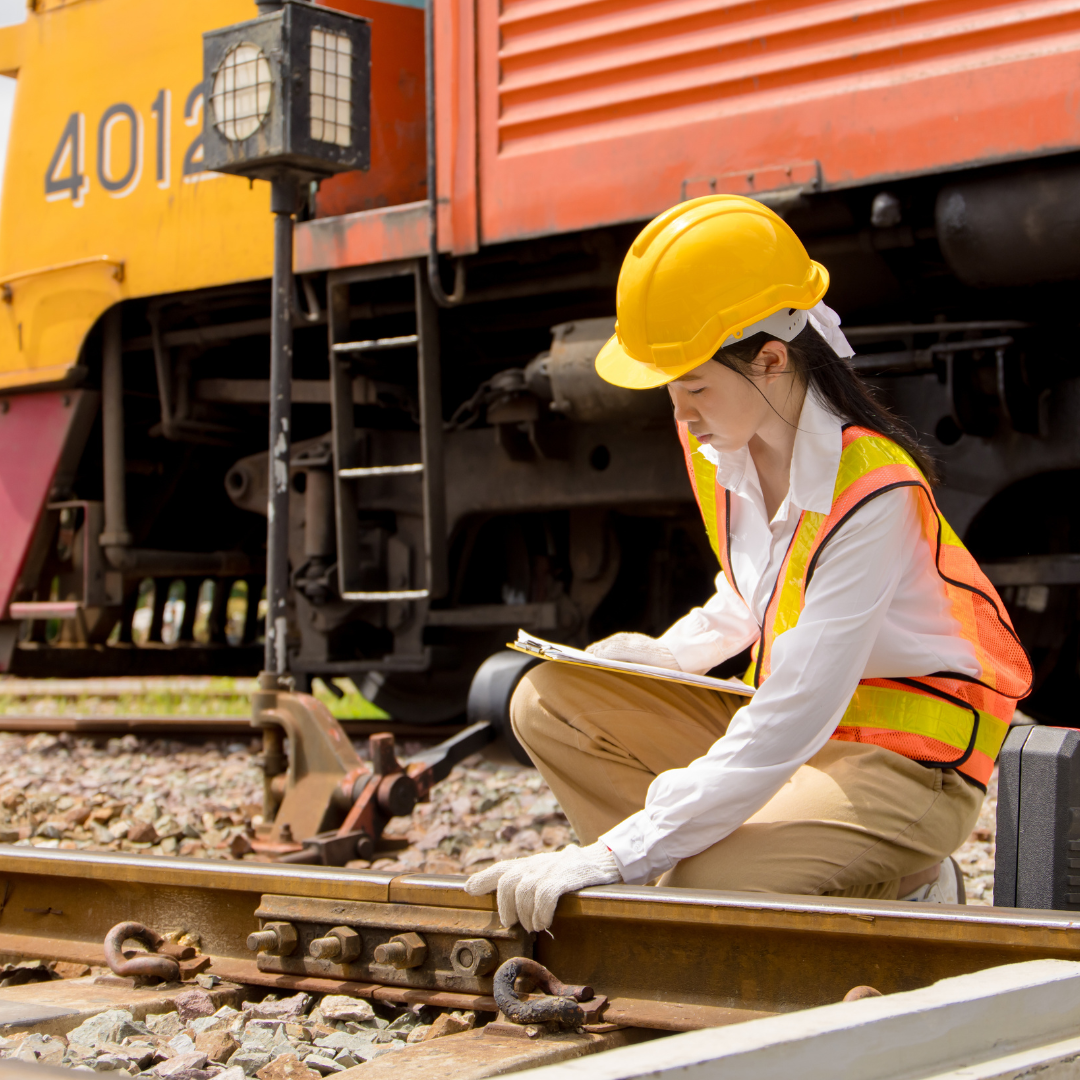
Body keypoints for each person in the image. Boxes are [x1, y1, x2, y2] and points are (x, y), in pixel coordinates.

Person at [465, 194, 1032, 934]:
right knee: (548, 701)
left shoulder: (873, 493)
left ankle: (908, 879)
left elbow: (795, 709)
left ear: (770, 360)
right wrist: (662, 655)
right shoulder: (723, 448)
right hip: (807, 742)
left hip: (904, 767)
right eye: (672, 388)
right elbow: (748, 598)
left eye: (695, 386)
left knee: (707, 882)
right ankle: (675, 886)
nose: (682, 410)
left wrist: (613, 853)